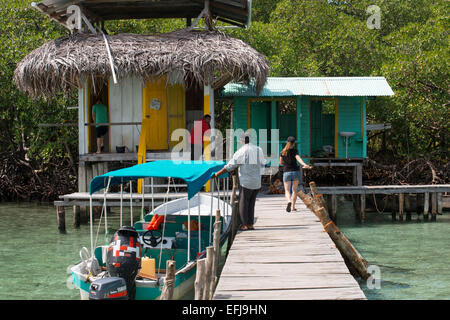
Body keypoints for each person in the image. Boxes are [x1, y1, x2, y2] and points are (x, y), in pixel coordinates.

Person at [213, 132, 266, 231]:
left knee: (243, 203)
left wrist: (217, 174)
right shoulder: (259, 150)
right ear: (250, 139)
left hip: (246, 181)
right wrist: (260, 181)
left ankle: (244, 225)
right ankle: (250, 224)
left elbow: (230, 166)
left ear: (241, 141)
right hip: (256, 181)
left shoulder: (241, 151)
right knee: (251, 203)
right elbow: (263, 165)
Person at [280, 136, 312, 212]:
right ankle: (293, 207)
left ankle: (289, 201)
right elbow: (298, 159)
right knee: (294, 190)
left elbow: (280, 162)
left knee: (287, 191)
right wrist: (304, 164)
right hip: (295, 172)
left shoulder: (282, 152)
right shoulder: (295, 151)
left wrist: (285, 163)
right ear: (293, 143)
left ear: (287, 142)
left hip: (286, 172)